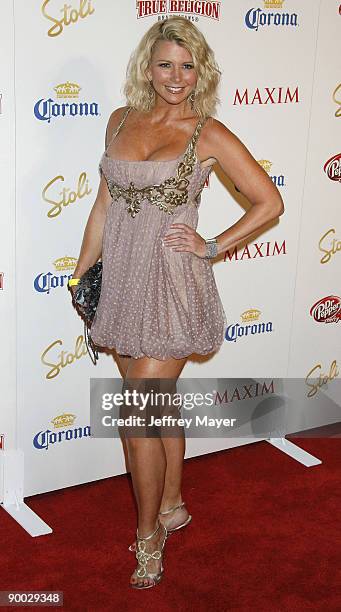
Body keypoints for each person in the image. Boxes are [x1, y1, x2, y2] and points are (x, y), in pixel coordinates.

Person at [69, 17, 284, 589]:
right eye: (166, 64)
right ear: (147, 66)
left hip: (171, 284)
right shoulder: (119, 121)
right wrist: (81, 272)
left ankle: (147, 538)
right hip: (118, 281)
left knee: (137, 414)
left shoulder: (206, 132)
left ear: (201, 71)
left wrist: (212, 246)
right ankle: (172, 502)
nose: (177, 77)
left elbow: (269, 203)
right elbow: (103, 206)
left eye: (188, 66)